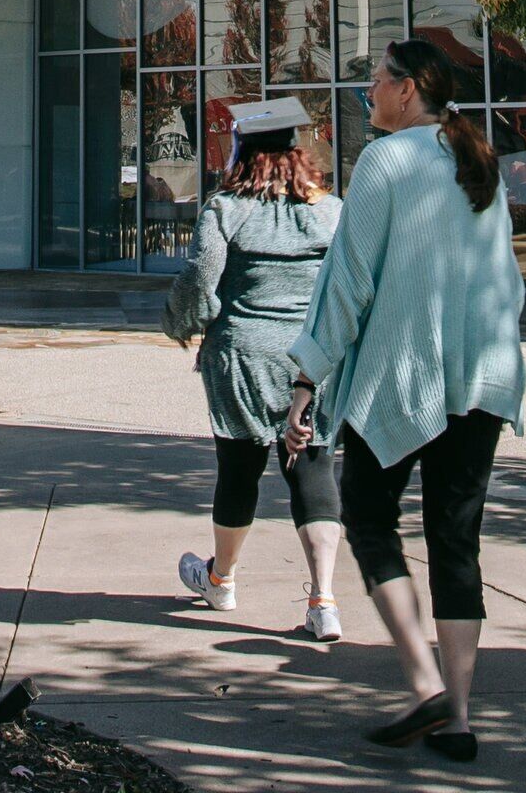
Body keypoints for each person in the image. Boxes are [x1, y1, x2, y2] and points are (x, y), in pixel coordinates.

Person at [286, 40, 526, 763]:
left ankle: (422, 680)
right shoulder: (475, 160)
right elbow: (507, 277)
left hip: (405, 372)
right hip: (482, 377)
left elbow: (347, 284)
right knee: (456, 542)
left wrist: (307, 377)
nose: (368, 93)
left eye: (377, 81)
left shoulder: (386, 163)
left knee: (366, 515)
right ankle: (457, 719)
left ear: (411, 88)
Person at [171, 96, 350, 642]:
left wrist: (183, 321)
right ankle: (323, 601)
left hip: (242, 358)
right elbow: (345, 287)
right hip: (312, 359)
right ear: (297, 152)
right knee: (314, 470)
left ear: (241, 152)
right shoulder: (331, 210)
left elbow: (202, 281)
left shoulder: (226, 208)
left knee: (238, 469)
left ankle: (221, 580)